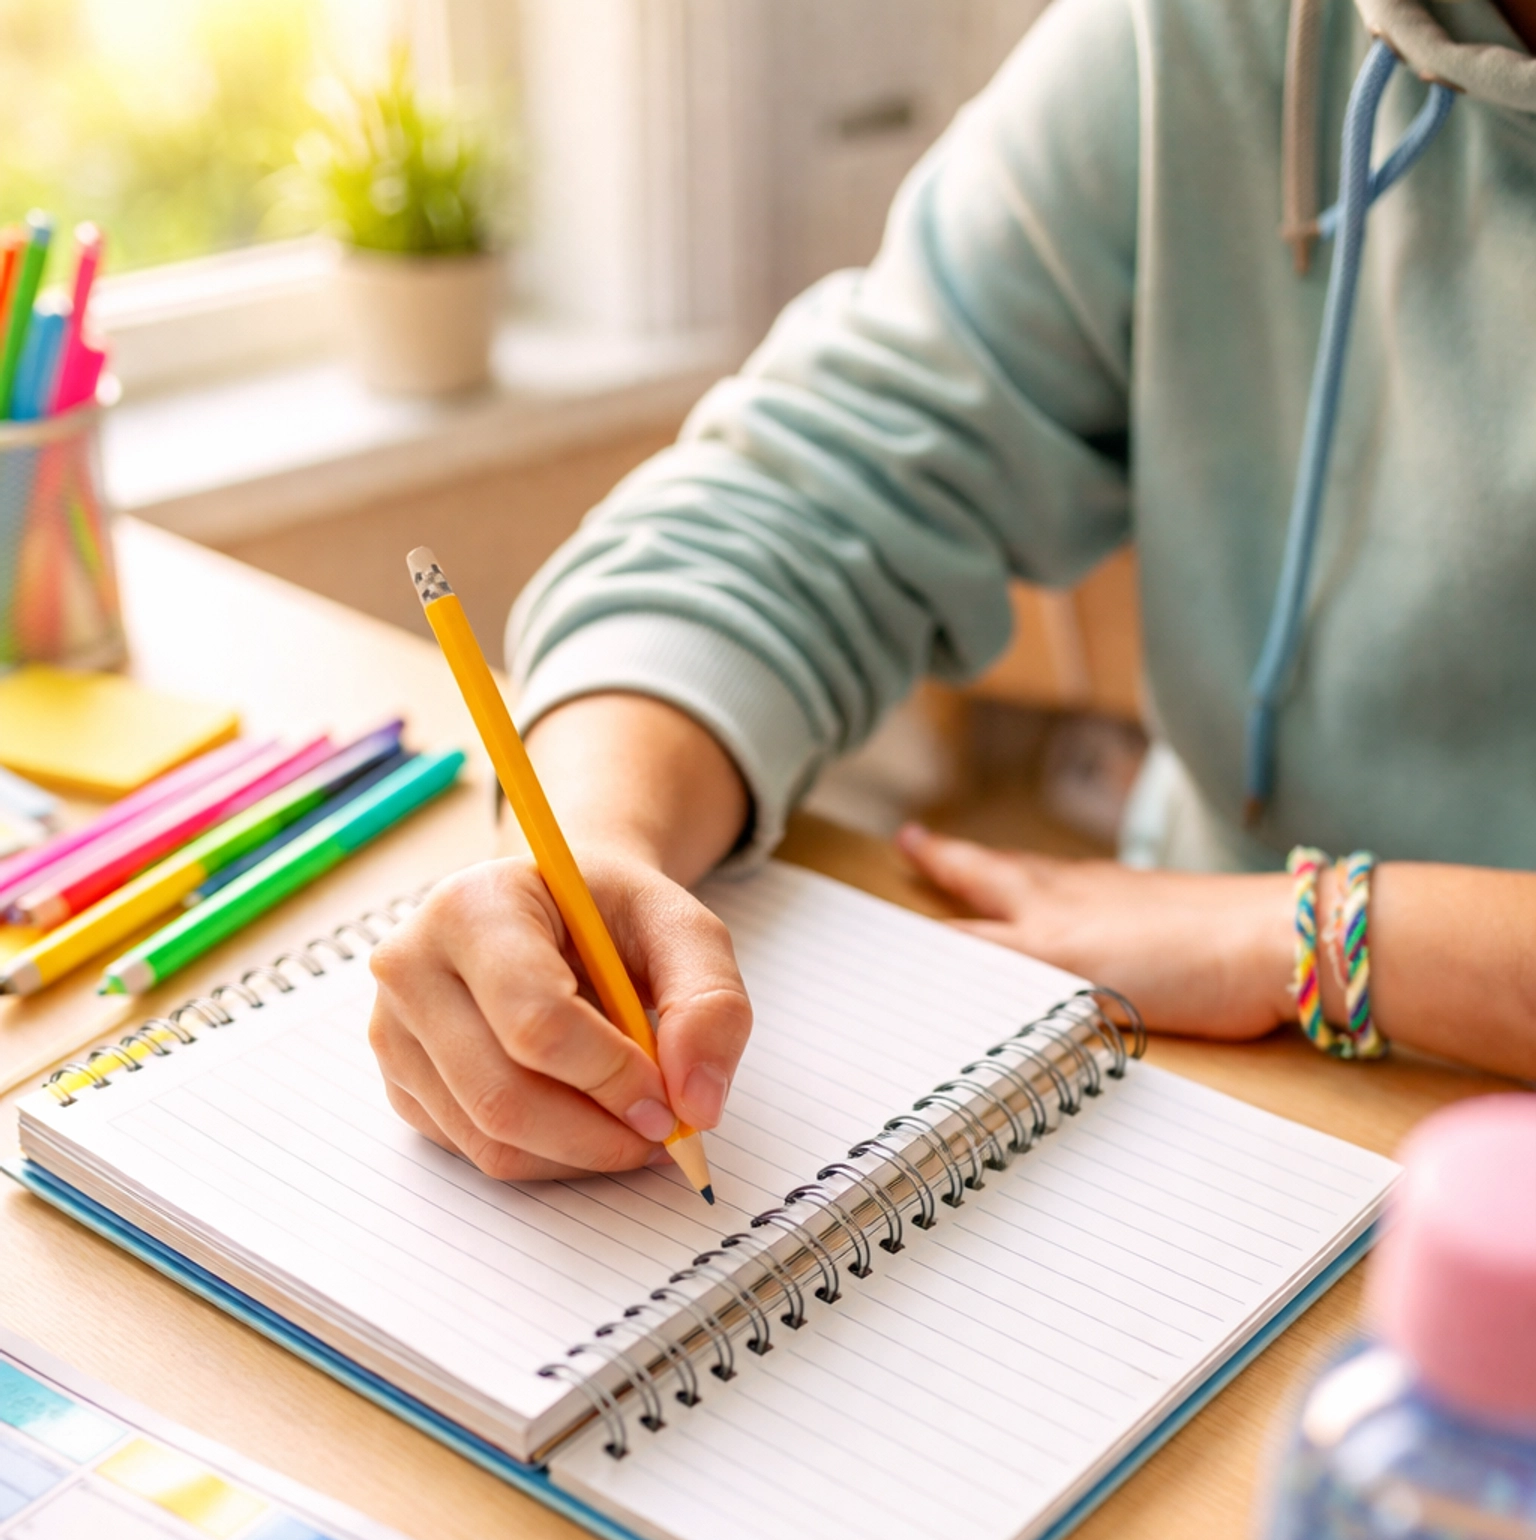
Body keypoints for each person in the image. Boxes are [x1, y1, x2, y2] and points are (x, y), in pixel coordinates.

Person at [370, 0, 1536, 1184]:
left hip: (1312, 1011)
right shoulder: (1195, 32)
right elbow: (818, 479)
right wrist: (593, 842)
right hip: (1198, 1041)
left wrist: (1322, 935)